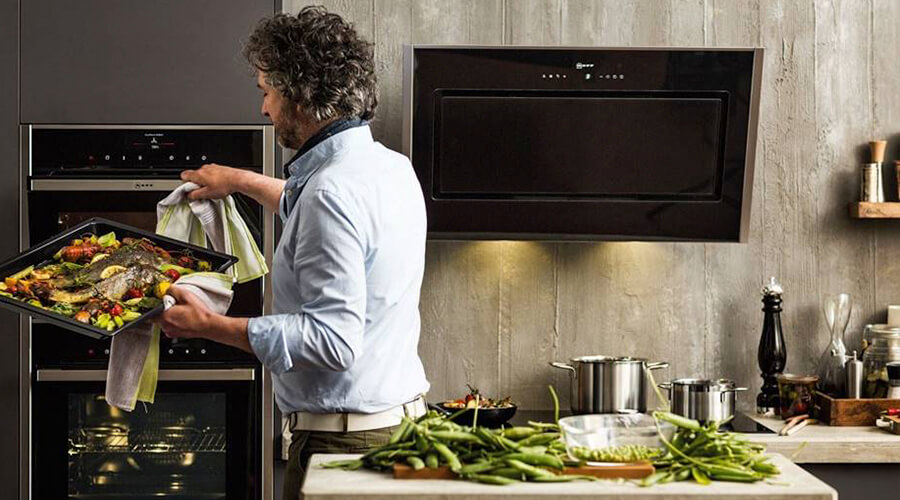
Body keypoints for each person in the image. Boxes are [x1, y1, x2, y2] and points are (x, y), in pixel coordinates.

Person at [156, 7, 430, 499]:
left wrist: (208, 326)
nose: (264, 109)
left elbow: (332, 342)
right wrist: (238, 180)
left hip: (345, 447)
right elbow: (320, 213)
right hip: (399, 430)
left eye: (267, 91)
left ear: (300, 94)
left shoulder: (330, 194)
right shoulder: (390, 168)